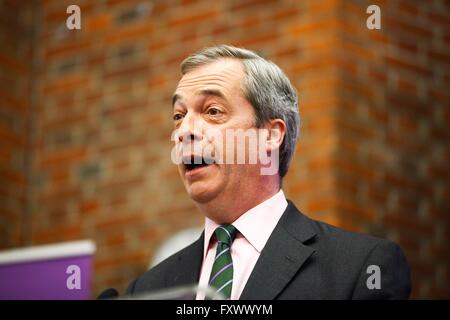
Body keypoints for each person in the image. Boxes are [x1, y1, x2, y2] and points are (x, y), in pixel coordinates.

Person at [125, 45, 411, 299]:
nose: (184, 131)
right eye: (178, 116)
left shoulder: (362, 267)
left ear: (271, 136)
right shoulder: (148, 290)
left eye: (212, 111)